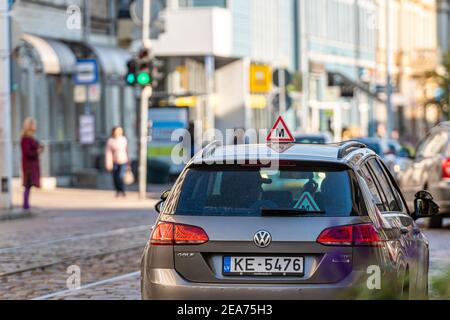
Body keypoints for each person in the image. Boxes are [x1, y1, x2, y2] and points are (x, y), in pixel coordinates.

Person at [20, 118, 43, 210]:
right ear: (29, 126)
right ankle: (25, 205)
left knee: (28, 185)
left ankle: (26, 204)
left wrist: (40, 148)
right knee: (27, 184)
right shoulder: (25, 138)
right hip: (28, 166)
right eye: (34, 125)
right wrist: (37, 152)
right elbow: (27, 152)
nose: (35, 127)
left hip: (32, 164)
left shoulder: (31, 138)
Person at [105, 126, 129, 197]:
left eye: (120, 130)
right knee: (115, 177)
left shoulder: (124, 139)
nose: (118, 132)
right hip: (114, 161)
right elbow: (108, 152)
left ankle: (122, 190)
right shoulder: (110, 140)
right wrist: (108, 163)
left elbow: (127, 151)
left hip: (123, 161)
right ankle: (118, 191)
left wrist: (128, 161)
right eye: (117, 130)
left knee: (121, 176)